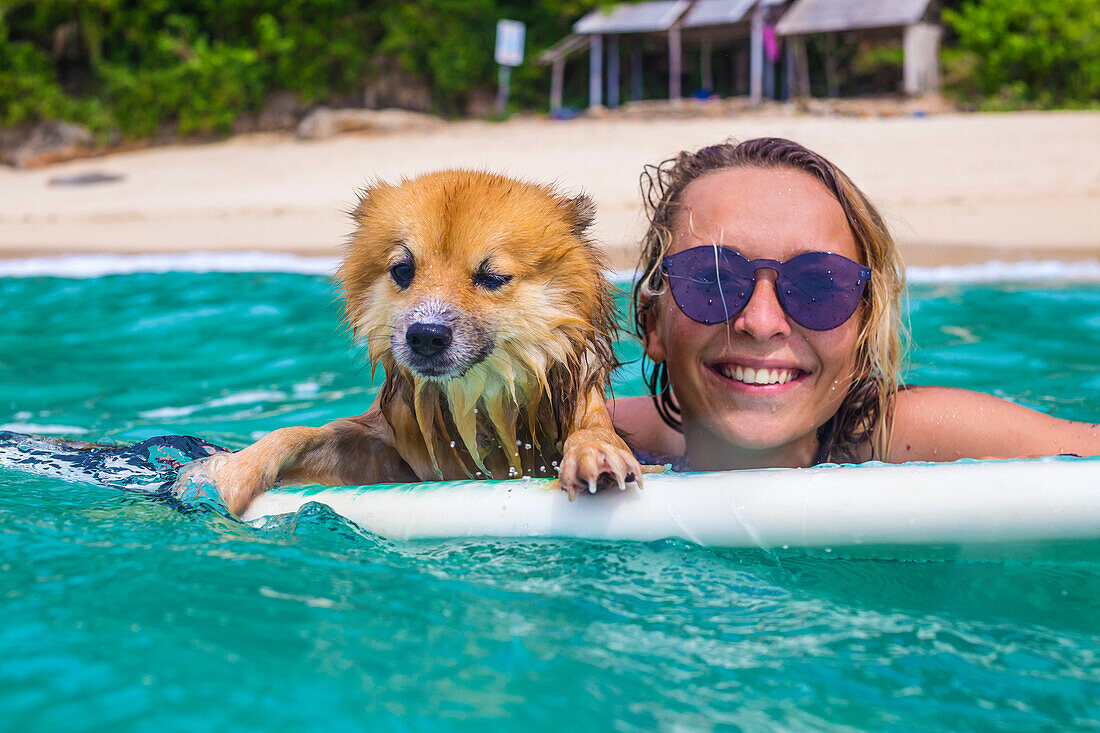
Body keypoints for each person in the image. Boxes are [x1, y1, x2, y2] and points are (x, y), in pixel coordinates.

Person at [610, 138, 1100, 471]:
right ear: (652, 322)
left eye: (819, 286)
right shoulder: (601, 438)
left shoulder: (929, 441)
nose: (761, 323)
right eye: (713, 280)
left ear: (865, 328)